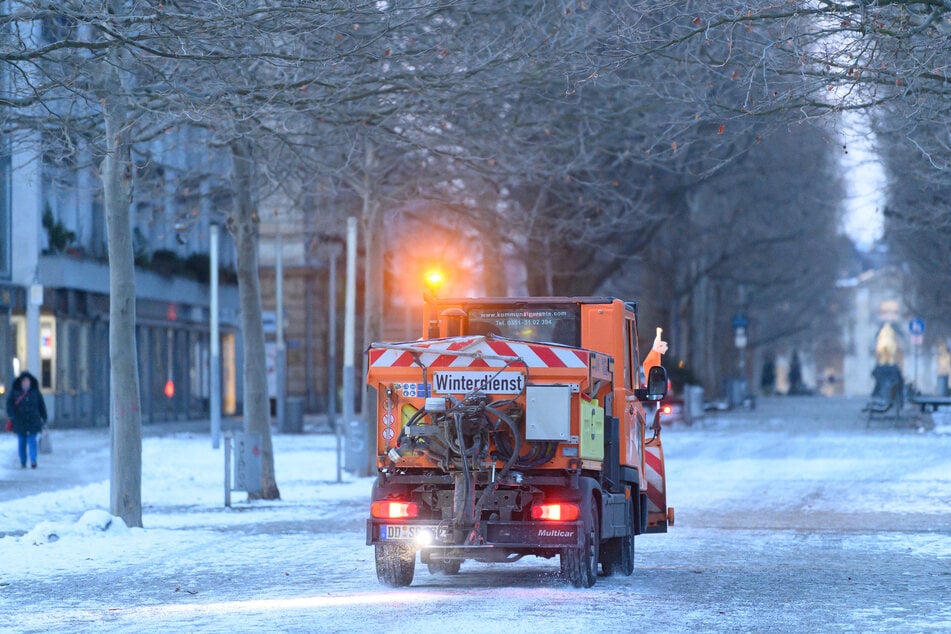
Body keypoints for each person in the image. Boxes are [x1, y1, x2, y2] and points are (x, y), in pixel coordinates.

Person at [6, 371, 47, 469]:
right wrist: (12, 416)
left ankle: (33, 460)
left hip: (33, 421)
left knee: (32, 441)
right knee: (22, 442)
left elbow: (41, 406)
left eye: (27, 381)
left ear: (30, 382)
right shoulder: (15, 392)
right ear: (20, 382)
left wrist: (44, 418)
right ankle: (23, 461)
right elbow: (9, 405)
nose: (25, 383)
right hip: (20, 422)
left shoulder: (35, 392)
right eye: (24, 381)